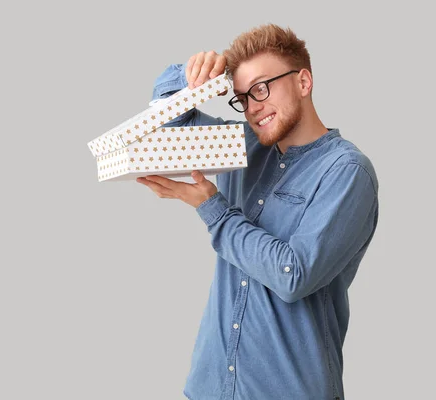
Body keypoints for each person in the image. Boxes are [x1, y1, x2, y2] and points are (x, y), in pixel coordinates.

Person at [137, 23, 379, 400]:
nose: (253, 107)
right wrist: (189, 78)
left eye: (262, 88)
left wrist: (211, 208)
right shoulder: (241, 145)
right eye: (243, 97)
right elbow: (162, 127)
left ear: (303, 82)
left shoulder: (346, 171)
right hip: (210, 387)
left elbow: (294, 275)